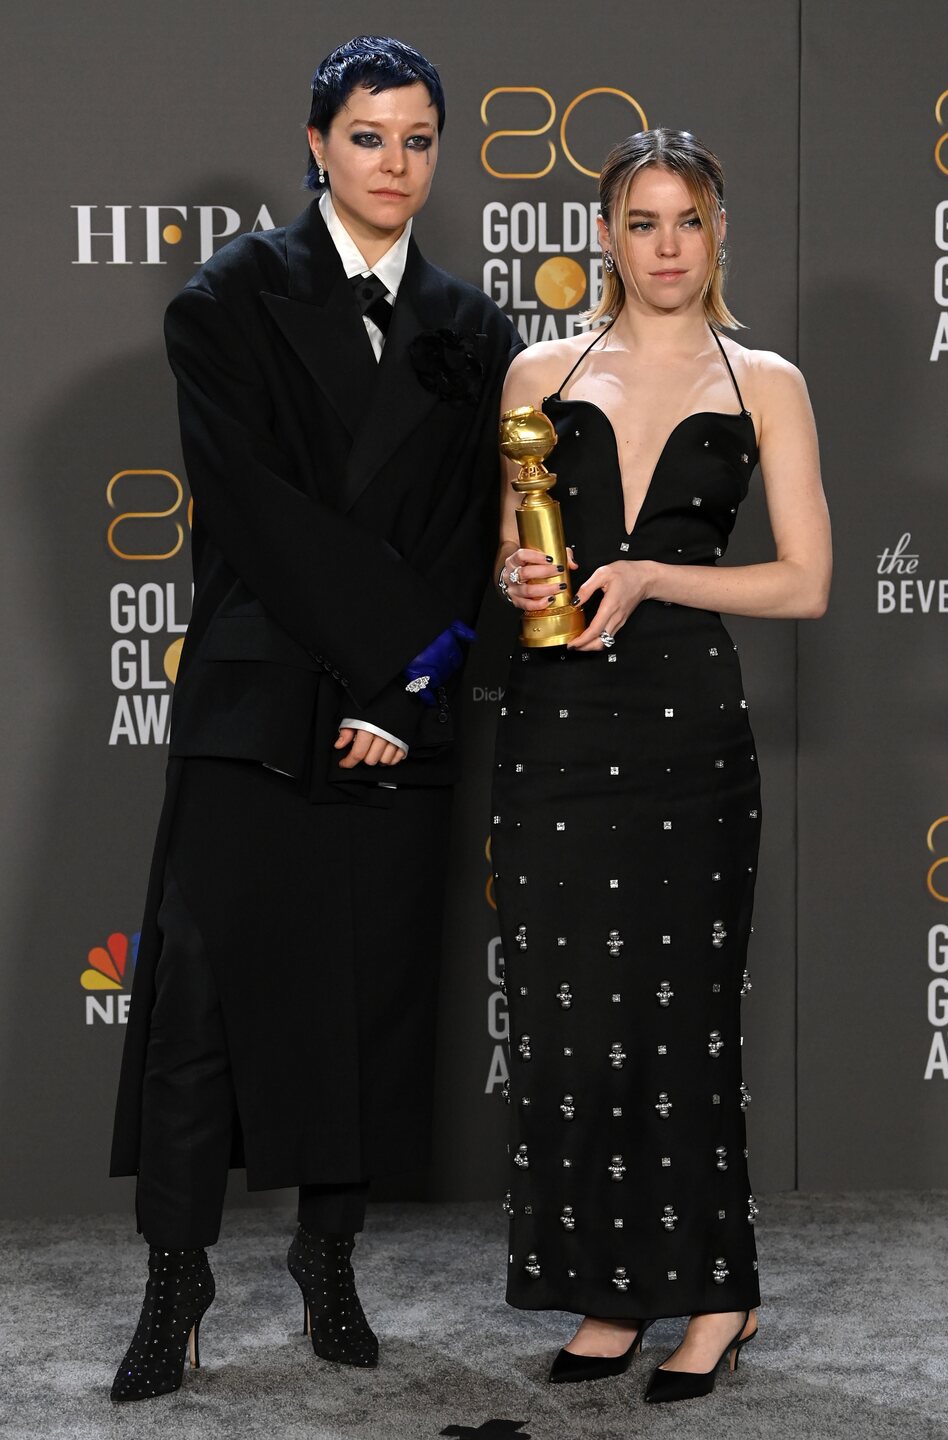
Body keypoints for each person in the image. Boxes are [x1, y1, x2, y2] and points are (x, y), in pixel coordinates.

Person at [108, 35, 520, 1402]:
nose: (394, 163)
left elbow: (474, 536)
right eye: (367, 137)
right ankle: (178, 1285)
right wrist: (382, 664)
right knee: (200, 1013)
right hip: (257, 696)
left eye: (416, 139)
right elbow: (260, 515)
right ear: (315, 145)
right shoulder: (224, 301)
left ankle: (326, 1260)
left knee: (361, 1003)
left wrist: (410, 695)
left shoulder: (475, 330)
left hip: (399, 713)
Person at [492, 127, 830, 1404]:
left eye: (688, 220)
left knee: (682, 1028)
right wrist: (526, 572)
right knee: (570, 1029)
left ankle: (721, 1294)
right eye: (643, 222)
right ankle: (610, 1292)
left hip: (688, 733)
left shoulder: (767, 382)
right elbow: (510, 558)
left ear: (720, 231)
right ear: (607, 236)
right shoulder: (540, 367)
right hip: (554, 732)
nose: (668, 246)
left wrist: (649, 573)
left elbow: (805, 581)